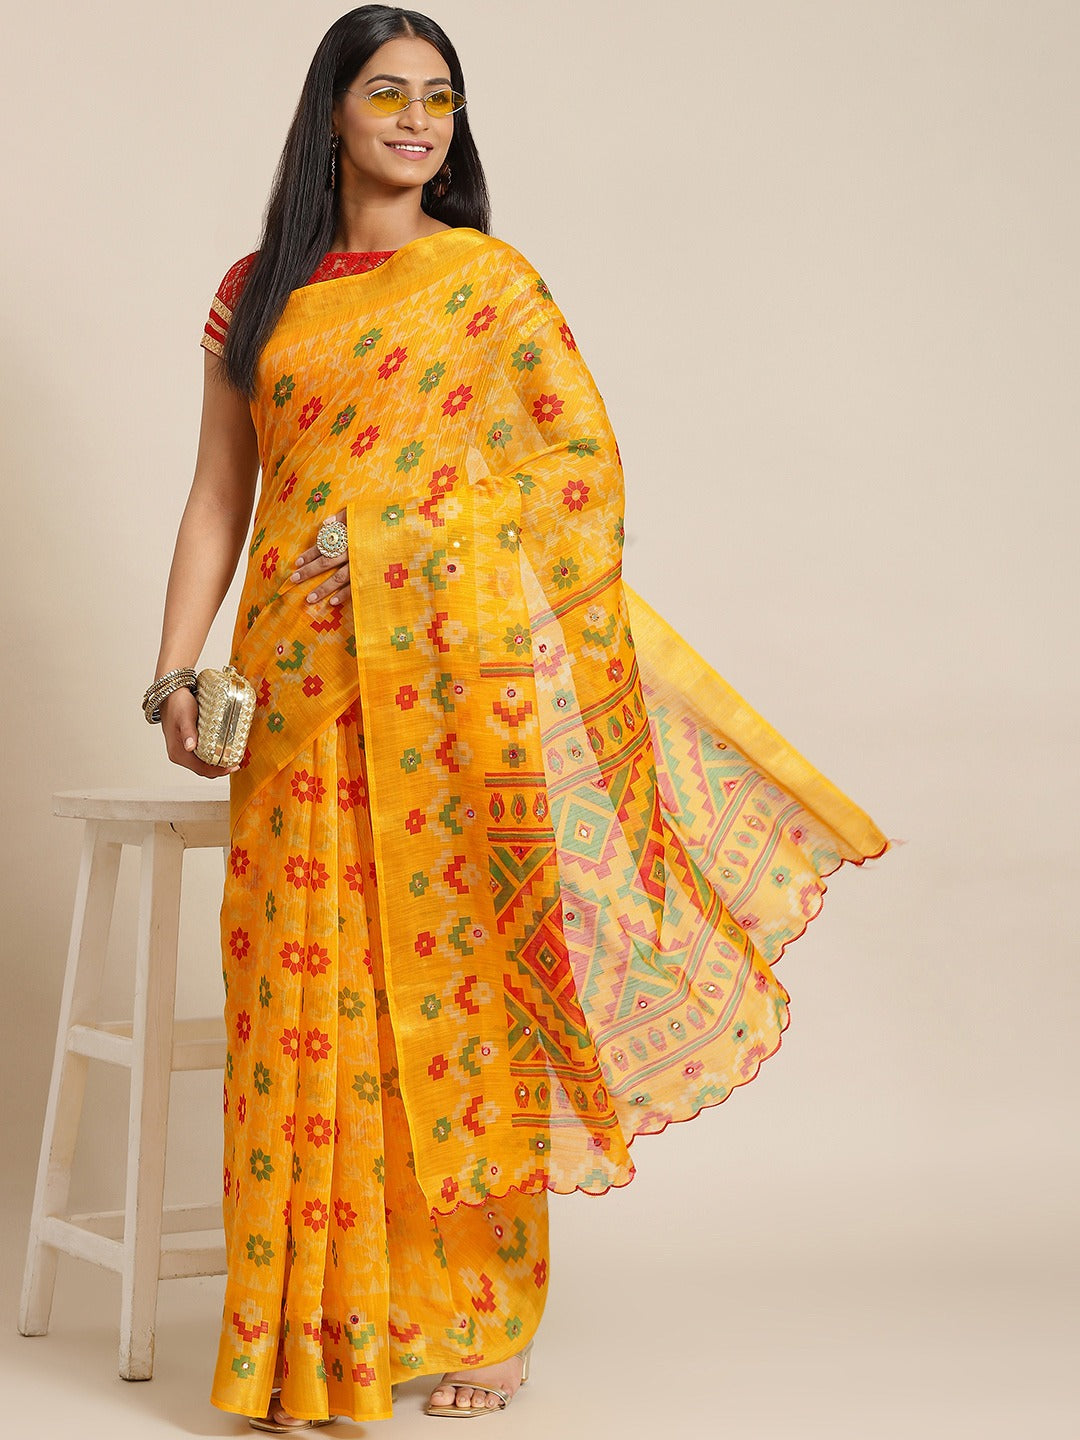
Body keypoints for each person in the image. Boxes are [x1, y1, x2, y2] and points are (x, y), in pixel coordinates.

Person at [148, 5, 889, 1429]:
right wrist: (175, 670)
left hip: (445, 691)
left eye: (441, 97)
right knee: (299, 998)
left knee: (453, 992)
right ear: (331, 113)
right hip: (297, 689)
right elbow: (217, 496)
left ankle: (480, 1320)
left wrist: (385, 540)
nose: (418, 121)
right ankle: (305, 1339)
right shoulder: (259, 291)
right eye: (389, 93)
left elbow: (578, 480)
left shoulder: (487, 285)